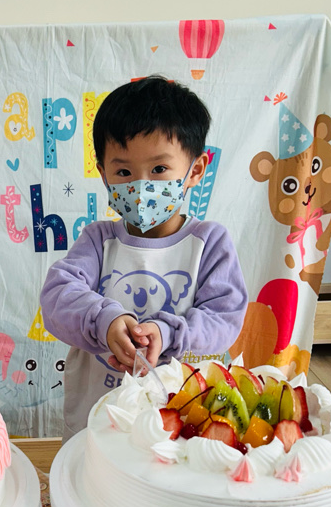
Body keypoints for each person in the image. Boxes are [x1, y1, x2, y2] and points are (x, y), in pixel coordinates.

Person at [40, 76, 247, 440]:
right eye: (123, 172)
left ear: (196, 170)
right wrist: (105, 321)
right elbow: (57, 297)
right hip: (99, 420)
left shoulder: (209, 243)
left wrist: (168, 333)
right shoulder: (98, 240)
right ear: (103, 173)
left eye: (159, 170)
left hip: (182, 423)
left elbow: (224, 318)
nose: (140, 186)